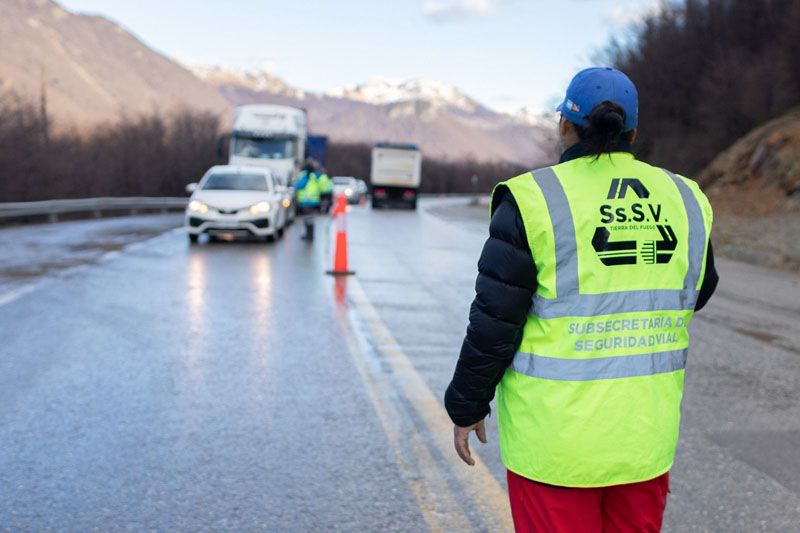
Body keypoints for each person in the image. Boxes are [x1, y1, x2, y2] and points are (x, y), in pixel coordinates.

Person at [444, 67, 719, 532]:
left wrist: (467, 406)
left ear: (564, 126)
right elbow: (697, 290)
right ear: (633, 131)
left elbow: (495, 320)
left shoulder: (534, 199)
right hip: (642, 441)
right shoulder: (685, 197)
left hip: (555, 447)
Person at [295, 163, 321, 240]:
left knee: (307, 219)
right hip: (314, 201)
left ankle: (309, 235)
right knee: (310, 219)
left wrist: (294, 184)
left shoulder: (306, 176)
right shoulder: (315, 176)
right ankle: (310, 235)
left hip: (306, 201)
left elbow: (300, 186)